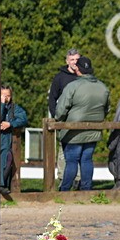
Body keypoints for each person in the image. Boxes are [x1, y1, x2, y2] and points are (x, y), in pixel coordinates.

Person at [55, 56, 110, 192]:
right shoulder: (102, 87)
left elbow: (61, 109)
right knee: (87, 160)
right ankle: (86, 189)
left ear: (77, 69)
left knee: (72, 161)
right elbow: (107, 108)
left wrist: (59, 119)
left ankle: (65, 190)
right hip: (93, 130)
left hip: (73, 130)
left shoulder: (73, 86)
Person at [48, 48, 80, 182]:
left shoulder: (85, 76)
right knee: (63, 148)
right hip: (64, 119)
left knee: (80, 149)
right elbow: (52, 98)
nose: (74, 62)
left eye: (77, 60)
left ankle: (78, 179)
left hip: (81, 118)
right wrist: (56, 116)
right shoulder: (60, 77)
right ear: (67, 61)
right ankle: (62, 178)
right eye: (72, 59)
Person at [0, 85, 28, 193]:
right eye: (3, 95)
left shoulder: (14, 108)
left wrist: (11, 124)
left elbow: (23, 119)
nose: (6, 98)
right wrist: (1, 104)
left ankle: (2, 185)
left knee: (7, 160)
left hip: (6, 138)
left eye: (8, 96)